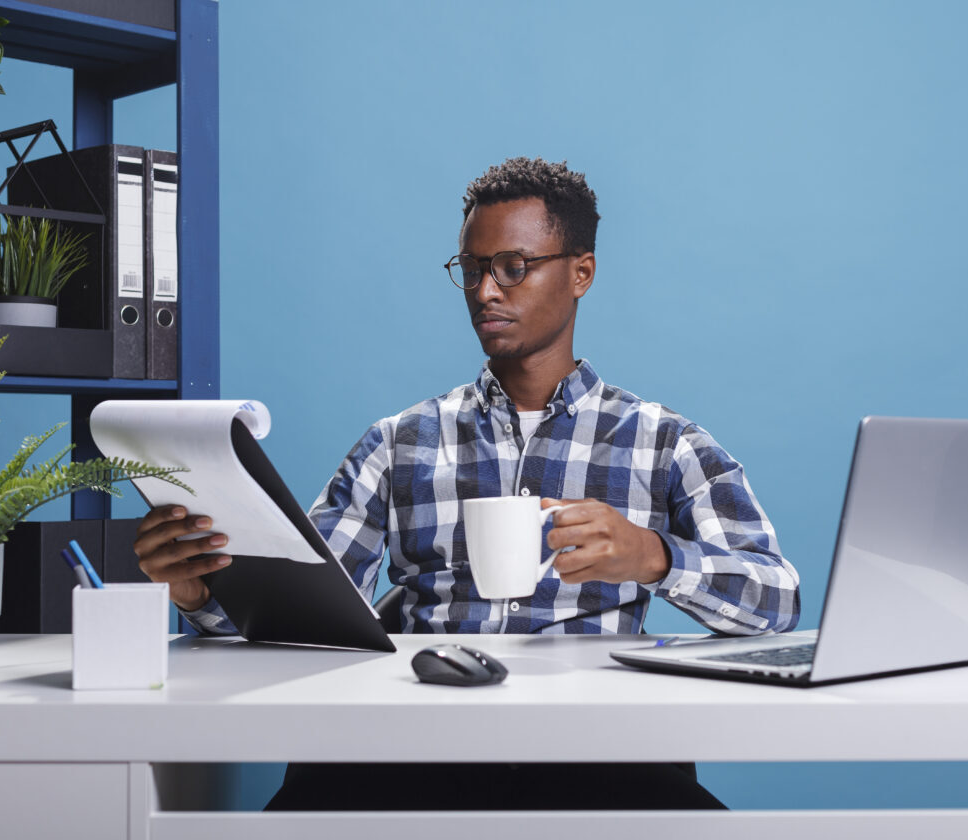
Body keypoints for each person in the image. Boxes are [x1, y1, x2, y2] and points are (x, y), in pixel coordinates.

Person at [134, 157, 799, 809]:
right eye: (472, 270)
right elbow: (303, 607)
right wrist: (198, 588)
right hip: (419, 749)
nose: (485, 292)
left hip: (594, 753)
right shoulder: (399, 442)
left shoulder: (662, 441)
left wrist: (655, 558)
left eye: (513, 267)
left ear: (581, 274)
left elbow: (777, 601)